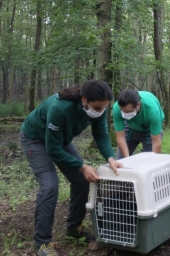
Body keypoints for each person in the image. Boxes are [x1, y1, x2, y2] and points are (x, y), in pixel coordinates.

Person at [20, 80, 122, 256]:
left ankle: (74, 228)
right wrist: (82, 166)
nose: (101, 111)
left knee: (82, 179)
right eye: (97, 108)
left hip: (60, 140)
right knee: (50, 186)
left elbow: (101, 133)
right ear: (84, 100)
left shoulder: (97, 110)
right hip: (35, 140)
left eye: (104, 108)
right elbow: (52, 150)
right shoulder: (60, 108)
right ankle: (42, 243)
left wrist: (110, 158)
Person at [112, 89, 164, 159]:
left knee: (150, 160)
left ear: (138, 104)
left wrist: (153, 163)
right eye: (123, 111)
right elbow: (120, 138)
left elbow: (156, 142)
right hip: (130, 127)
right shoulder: (116, 108)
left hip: (149, 130)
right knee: (121, 160)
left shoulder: (152, 110)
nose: (125, 114)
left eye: (128, 111)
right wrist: (126, 160)